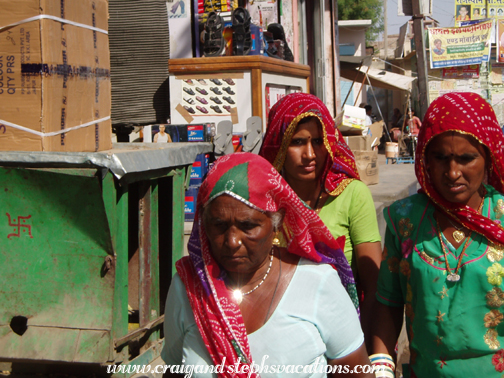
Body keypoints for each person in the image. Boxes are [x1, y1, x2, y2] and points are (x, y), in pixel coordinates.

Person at [162, 153, 374, 377]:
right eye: (219, 225)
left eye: (248, 225)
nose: (232, 241)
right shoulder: (188, 288)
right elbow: (174, 371)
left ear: (276, 222)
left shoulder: (317, 283)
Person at [373, 92, 504, 377]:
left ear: (488, 157)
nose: (453, 172)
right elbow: (389, 301)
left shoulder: (501, 216)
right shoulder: (404, 219)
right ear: (426, 160)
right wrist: (381, 367)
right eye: (441, 158)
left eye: (467, 158)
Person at [259, 93, 382, 353]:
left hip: (344, 340)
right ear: (279, 145)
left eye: (317, 141)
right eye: (297, 142)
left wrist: (373, 355)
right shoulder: (263, 202)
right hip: (281, 342)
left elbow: (374, 287)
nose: (310, 154)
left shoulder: (352, 195)